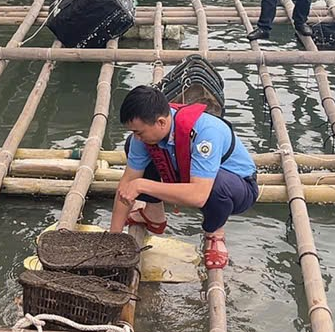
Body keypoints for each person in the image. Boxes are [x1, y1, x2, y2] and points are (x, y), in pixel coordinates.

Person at [109, 84, 258, 269]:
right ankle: (153, 214)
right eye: (134, 131)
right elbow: (127, 183)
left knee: (216, 187)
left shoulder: (206, 133)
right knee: (132, 146)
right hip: (190, 176)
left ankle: (214, 232)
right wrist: (113, 238)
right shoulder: (145, 133)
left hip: (237, 187)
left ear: (161, 122)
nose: (137, 137)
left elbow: (198, 196)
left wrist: (142, 185)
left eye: (139, 132)